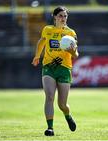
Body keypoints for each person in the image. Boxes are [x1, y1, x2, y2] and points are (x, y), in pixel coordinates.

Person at [31, 6, 79, 136]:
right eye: (60, 16)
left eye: (65, 16)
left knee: (62, 104)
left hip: (64, 69)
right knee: (49, 96)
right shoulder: (47, 30)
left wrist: (71, 51)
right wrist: (37, 56)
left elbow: (76, 55)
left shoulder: (71, 33)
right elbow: (41, 42)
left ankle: (68, 116)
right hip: (49, 67)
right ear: (55, 17)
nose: (63, 18)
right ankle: (50, 128)